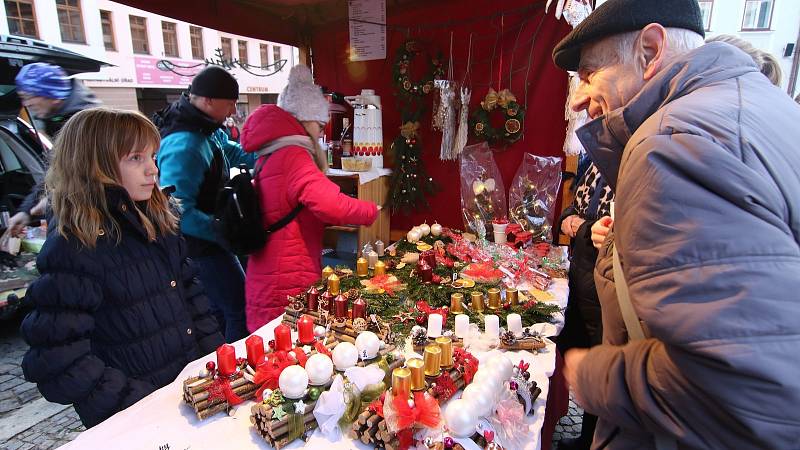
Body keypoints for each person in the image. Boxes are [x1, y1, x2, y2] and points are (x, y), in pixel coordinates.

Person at [552, 0, 800, 448]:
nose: (577, 98)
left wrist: (595, 375)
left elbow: (742, 383)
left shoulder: (671, 144)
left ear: (650, 49)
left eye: (588, 74)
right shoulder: (754, 106)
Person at [20, 108, 224, 428]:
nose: (152, 169)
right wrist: (131, 401)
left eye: (152, 156)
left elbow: (193, 300)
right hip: (139, 416)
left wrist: (214, 362)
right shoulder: (77, 245)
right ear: (95, 166)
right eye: (135, 158)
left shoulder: (159, 220)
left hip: (190, 394)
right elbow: (56, 360)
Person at [239, 65, 378, 331]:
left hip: (267, 273)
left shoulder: (272, 152)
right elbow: (332, 206)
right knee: (285, 356)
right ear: (303, 120)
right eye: (319, 124)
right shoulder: (293, 155)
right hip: (285, 280)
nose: (321, 132)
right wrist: (371, 210)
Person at [153, 66, 256, 342]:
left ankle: (216, 356)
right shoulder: (184, 143)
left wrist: (269, 156)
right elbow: (177, 209)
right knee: (237, 308)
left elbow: (231, 152)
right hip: (197, 247)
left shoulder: (206, 127)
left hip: (211, 240)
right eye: (231, 103)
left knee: (218, 312)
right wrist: (222, 232)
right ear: (208, 100)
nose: (234, 110)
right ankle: (234, 370)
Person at [556, 156, 613, 450]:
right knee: (578, 350)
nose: (586, 109)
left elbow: (610, 229)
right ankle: (585, 438)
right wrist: (572, 221)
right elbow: (572, 211)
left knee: (599, 365)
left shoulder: (629, 165)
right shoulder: (593, 161)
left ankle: (593, 441)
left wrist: (582, 227)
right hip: (580, 277)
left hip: (605, 288)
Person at [6, 62, 101, 235]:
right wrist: (26, 211)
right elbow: (56, 172)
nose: (26, 103)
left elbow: (96, 177)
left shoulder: (86, 122)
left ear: (50, 94)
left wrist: (54, 199)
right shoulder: (57, 119)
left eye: (29, 96)